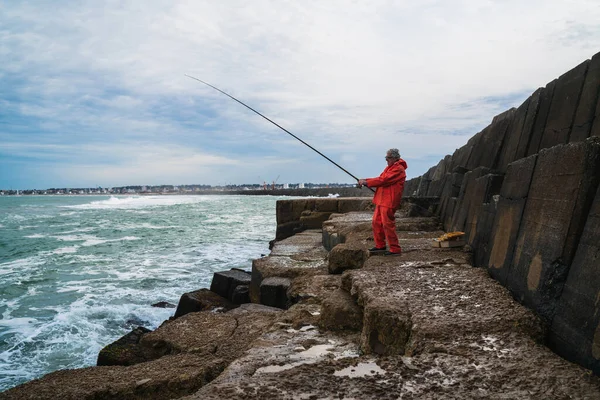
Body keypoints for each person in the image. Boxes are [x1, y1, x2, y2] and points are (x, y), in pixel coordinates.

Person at [358, 148, 407, 256]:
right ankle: (380, 245)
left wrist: (366, 182)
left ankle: (395, 249)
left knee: (387, 224)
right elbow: (381, 178)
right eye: (386, 157)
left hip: (389, 201)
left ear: (395, 158)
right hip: (382, 200)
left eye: (388, 158)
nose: (386, 160)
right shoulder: (389, 168)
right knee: (376, 223)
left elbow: (384, 180)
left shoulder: (398, 169)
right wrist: (365, 180)